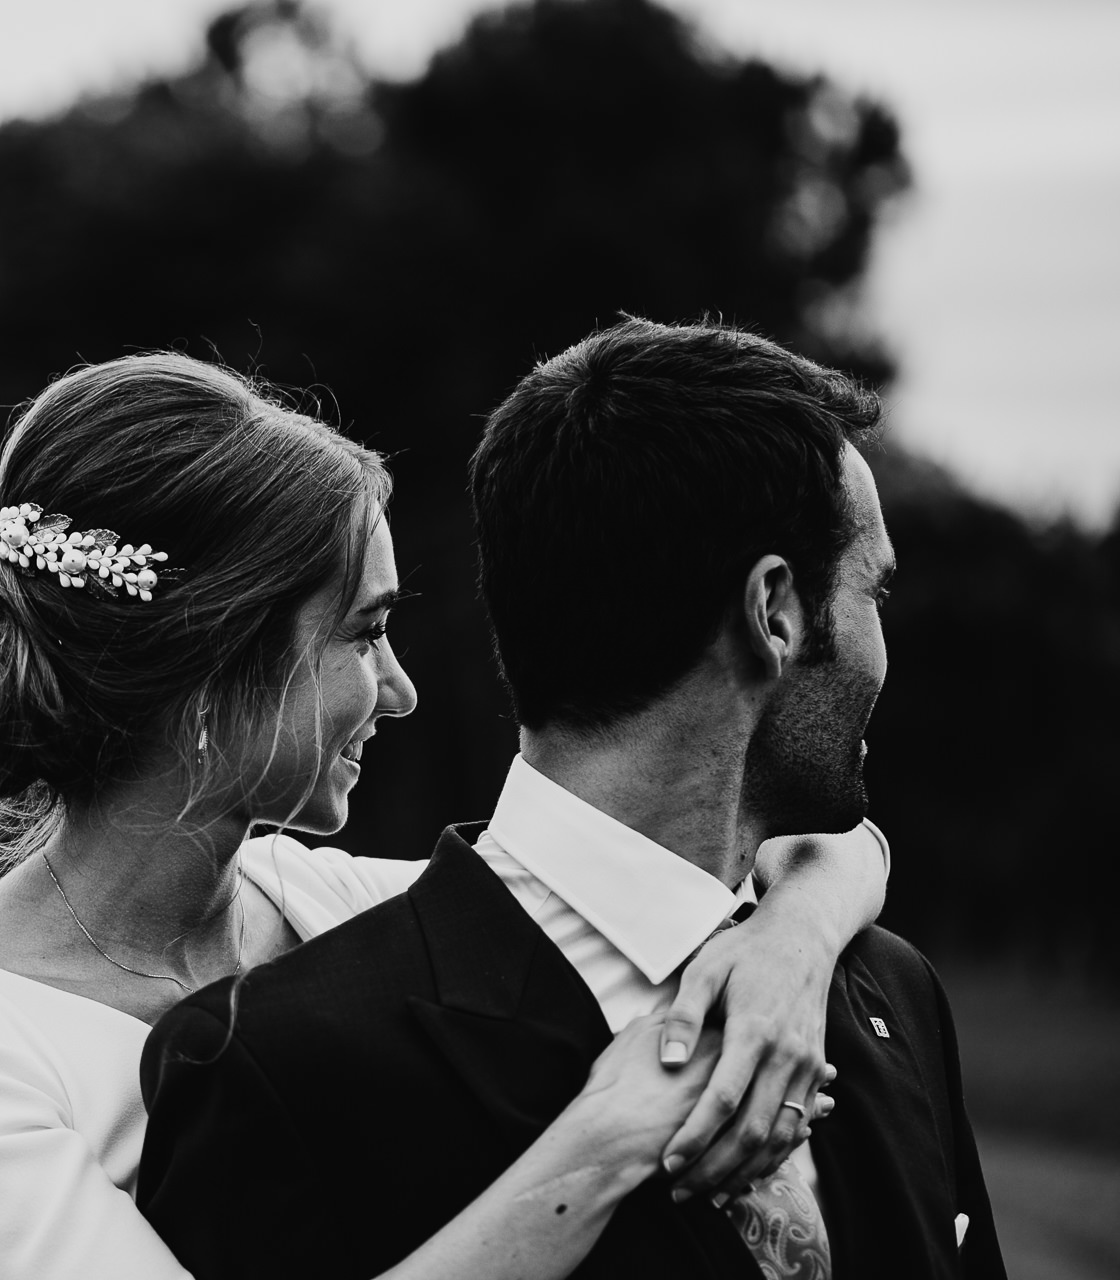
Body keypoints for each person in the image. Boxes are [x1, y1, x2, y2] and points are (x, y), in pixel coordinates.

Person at [0, 352, 891, 1280]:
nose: (399, 689)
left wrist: (787, 956)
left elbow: (785, 849)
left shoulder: (333, 902)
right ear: (219, 664)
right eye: (363, 633)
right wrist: (611, 1135)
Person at [137, 322, 1005, 1280]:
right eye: (872, 592)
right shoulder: (278, 1072)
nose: (886, 653)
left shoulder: (892, 991)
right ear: (776, 612)